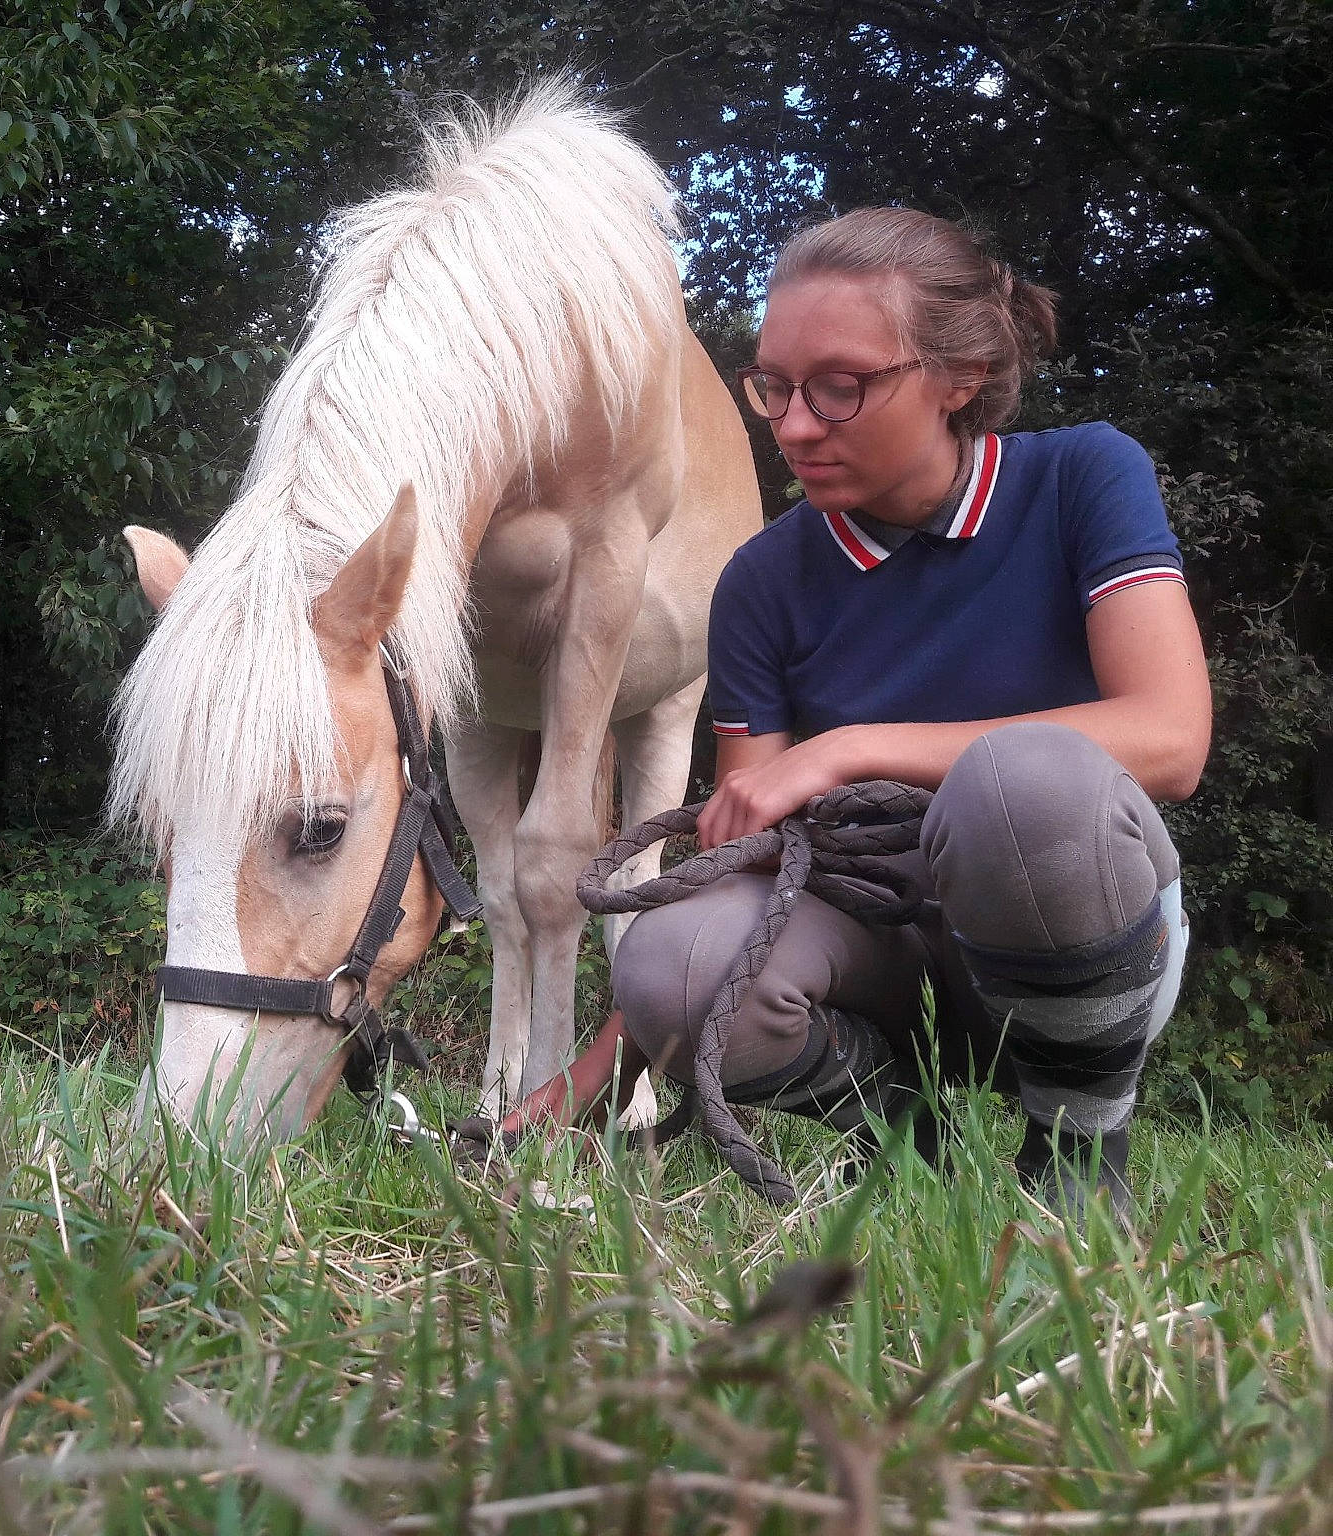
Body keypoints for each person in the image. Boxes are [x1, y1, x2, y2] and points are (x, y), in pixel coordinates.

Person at [473, 207, 1210, 1218]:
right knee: (673, 959)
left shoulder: (1082, 477)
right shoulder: (763, 579)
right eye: (774, 386)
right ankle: (901, 1130)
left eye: (840, 386)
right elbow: (745, 859)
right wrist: (590, 1077)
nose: (792, 426)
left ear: (958, 378)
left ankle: (1076, 1154)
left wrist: (850, 749)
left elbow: (1170, 738)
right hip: (874, 955)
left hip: (1081, 937)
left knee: (1021, 785)